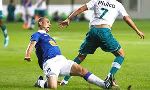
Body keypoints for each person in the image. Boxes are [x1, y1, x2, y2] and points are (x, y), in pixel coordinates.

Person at [59, 0, 144, 86]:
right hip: (104, 31)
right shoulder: (117, 4)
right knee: (120, 54)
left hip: (92, 31)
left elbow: (81, 9)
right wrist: (137, 30)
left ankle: (65, 81)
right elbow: (126, 18)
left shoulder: (96, 0)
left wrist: (69, 18)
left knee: (80, 56)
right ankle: (110, 76)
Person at [24, 17, 112, 89]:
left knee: (82, 70)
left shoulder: (49, 37)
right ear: (40, 23)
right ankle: (41, 82)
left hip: (62, 60)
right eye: (47, 22)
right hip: (50, 62)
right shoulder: (37, 34)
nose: (50, 24)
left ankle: (104, 85)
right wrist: (27, 55)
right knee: (53, 87)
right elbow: (32, 44)